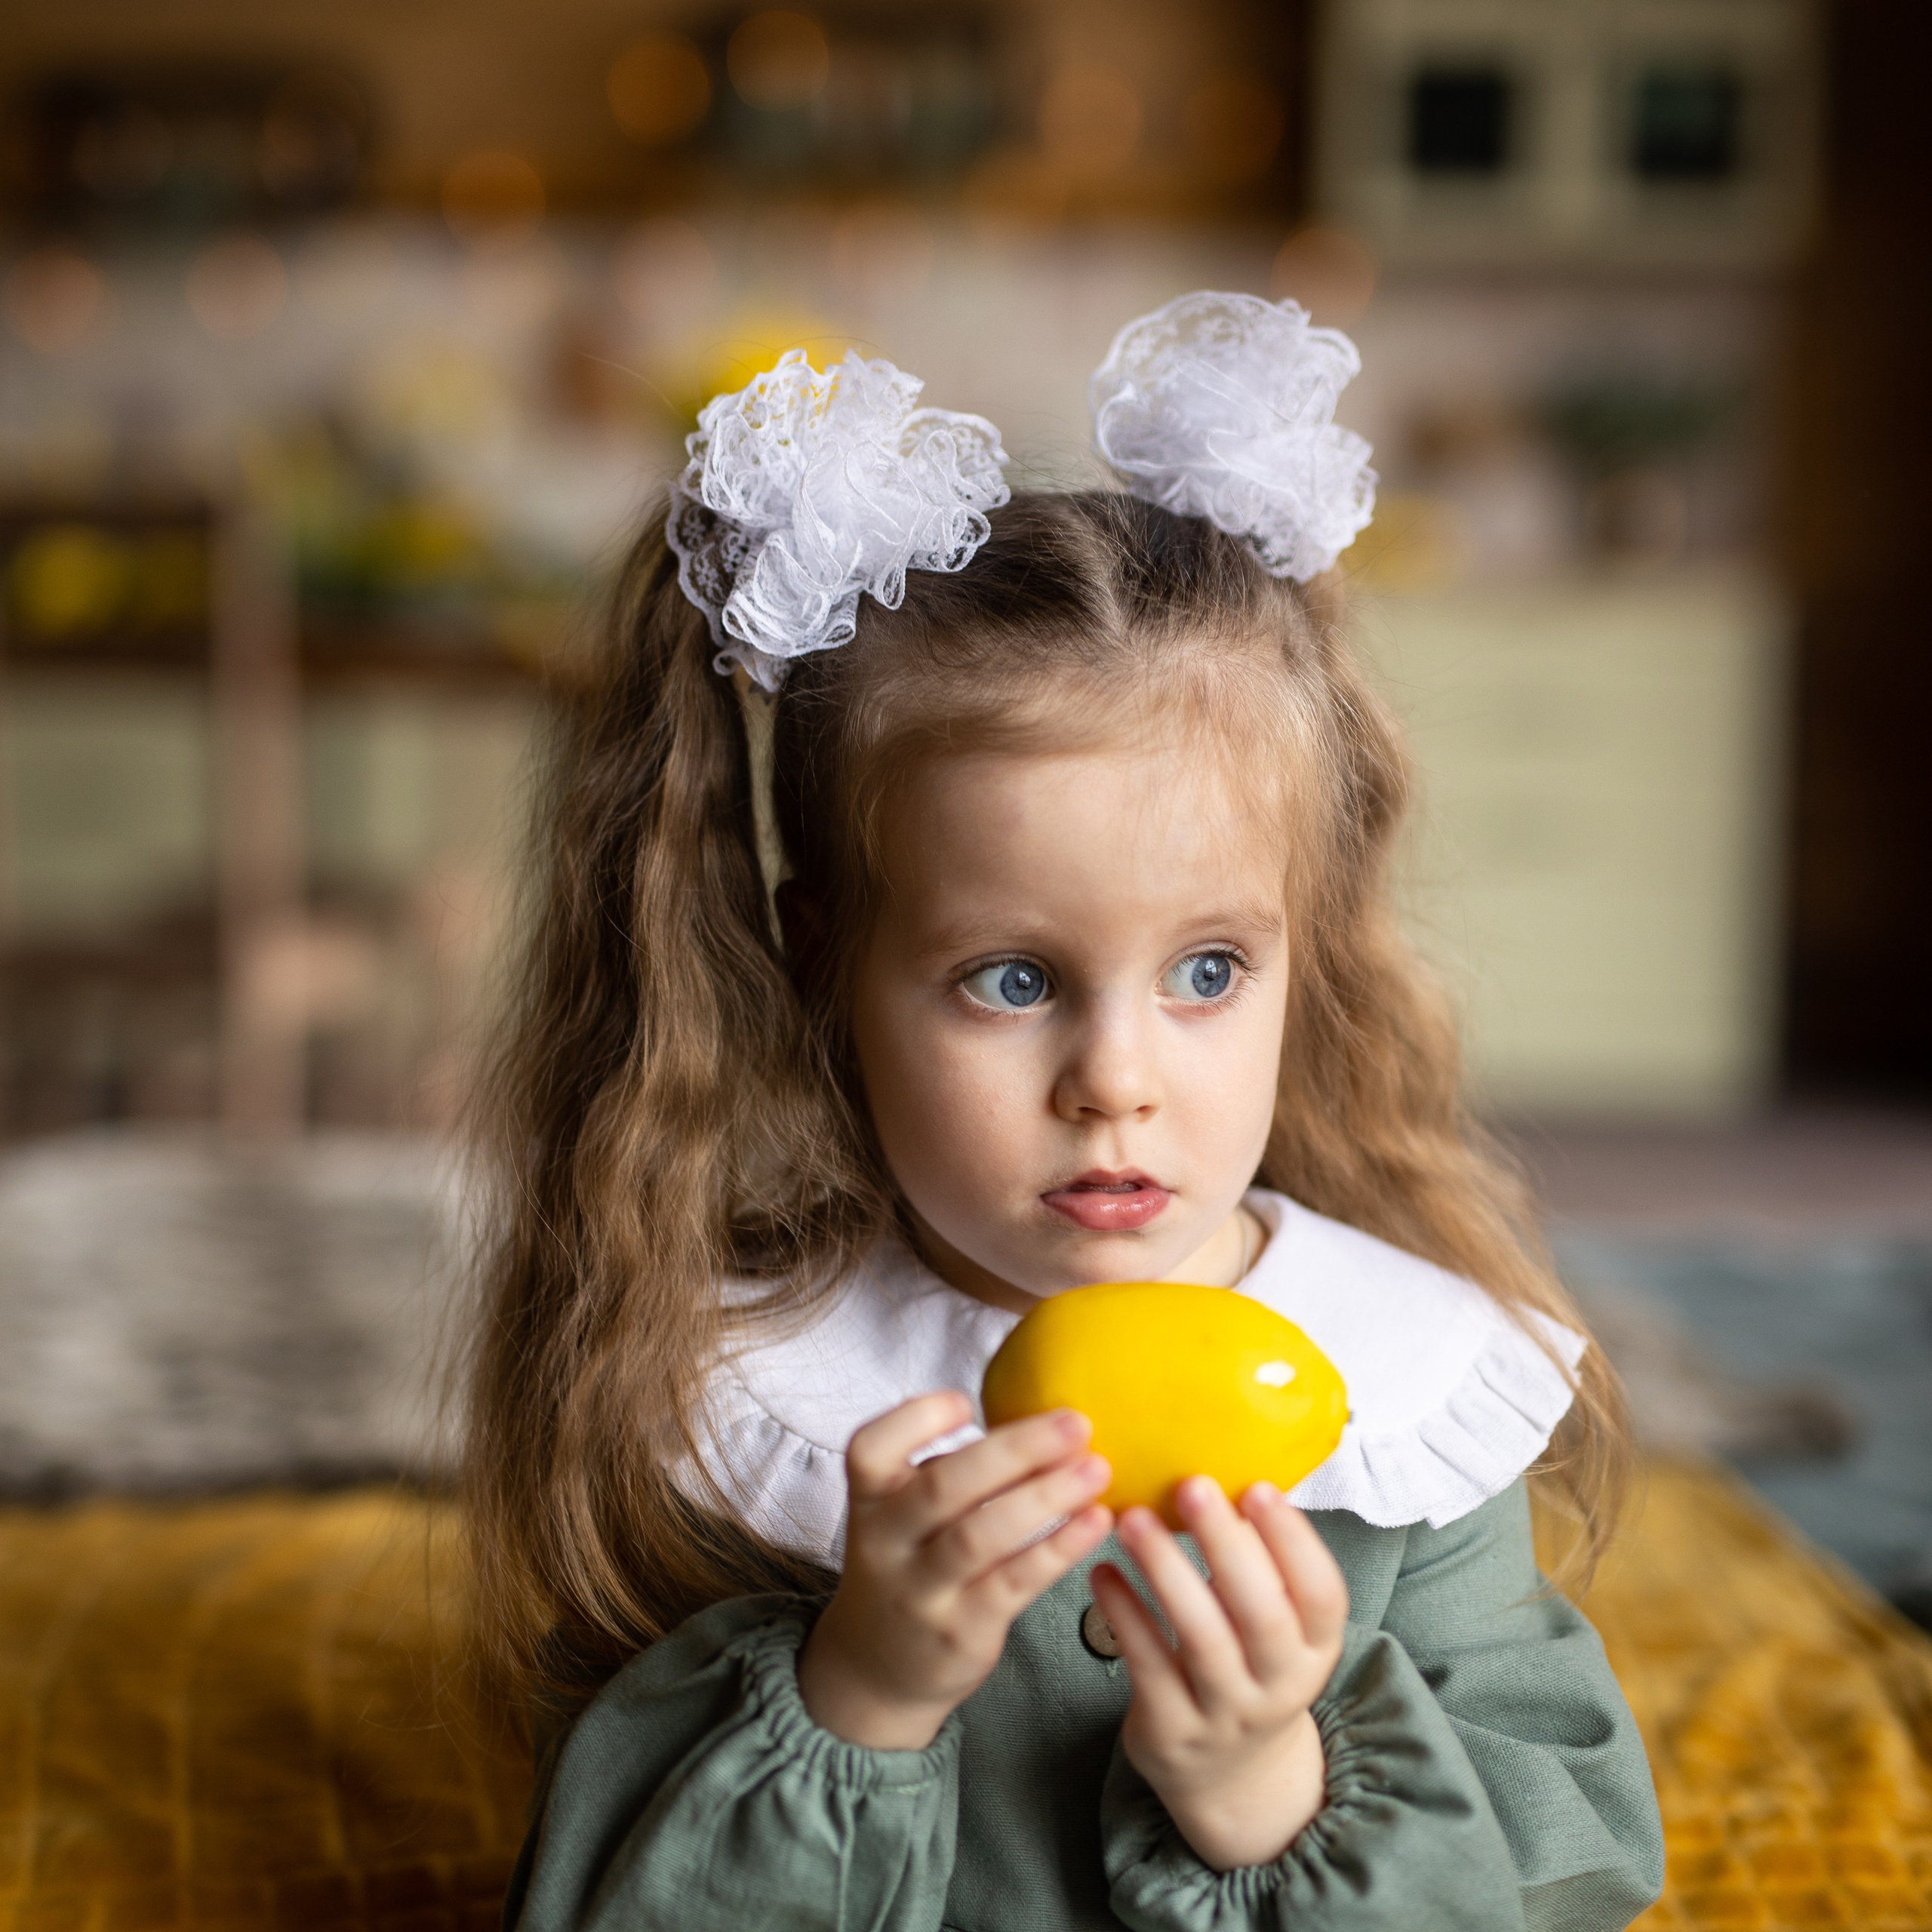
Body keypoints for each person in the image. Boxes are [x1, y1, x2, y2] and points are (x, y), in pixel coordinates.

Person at [470, 292, 1665, 1931]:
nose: (1116, 1078)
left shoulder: (1405, 1396)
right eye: (1012, 981)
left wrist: (1269, 1785)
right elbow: (605, 1896)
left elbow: (1566, 1882)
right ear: (824, 964)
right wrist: (859, 1689)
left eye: (1205, 971)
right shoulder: (743, 1408)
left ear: (1300, 950)